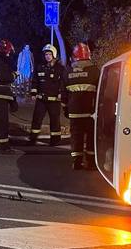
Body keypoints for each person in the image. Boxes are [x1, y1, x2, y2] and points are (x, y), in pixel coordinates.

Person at [64, 42, 100, 170]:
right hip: (91, 112)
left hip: (74, 112)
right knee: (91, 136)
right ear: (88, 55)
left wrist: (65, 108)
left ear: (74, 56)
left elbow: (63, 93)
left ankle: (77, 162)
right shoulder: (95, 71)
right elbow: (101, 91)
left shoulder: (68, 72)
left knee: (76, 136)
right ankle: (91, 162)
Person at [28, 44, 67, 146]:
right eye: (46, 54)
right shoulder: (40, 67)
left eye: (49, 54)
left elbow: (63, 83)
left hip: (54, 100)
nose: (47, 56)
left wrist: (61, 94)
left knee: (55, 121)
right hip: (41, 99)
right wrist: (33, 92)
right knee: (36, 119)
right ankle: (32, 139)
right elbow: (35, 81)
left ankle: (55, 140)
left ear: (54, 55)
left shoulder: (60, 68)